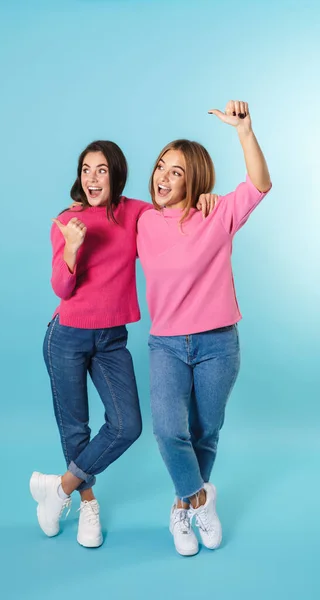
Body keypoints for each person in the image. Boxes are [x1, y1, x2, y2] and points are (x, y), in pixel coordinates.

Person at [30, 141, 215, 548]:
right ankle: (86, 503)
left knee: (126, 425)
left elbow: (173, 215)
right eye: (85, 170)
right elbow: (61, 287)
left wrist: (203, 199)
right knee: (75, 426)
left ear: (116, 174)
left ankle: (57, 489)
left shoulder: (136, 213)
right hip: (67, 336)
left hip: (112, 339)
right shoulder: (67, 221)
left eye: (100, 170)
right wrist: (73, 249)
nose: (91, 179)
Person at [137, 100, 272, 556]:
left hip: (218, 344)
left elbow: (260, 184)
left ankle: (180, 509)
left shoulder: (216, 214)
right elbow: (104, 209)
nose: (163, 175)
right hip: (168, 346)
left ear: (193, 178)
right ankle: (199, 500)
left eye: (176, 171)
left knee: (205, 433)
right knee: (168, 430)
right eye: (160, 166)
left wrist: (244, 131)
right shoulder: (141, 220)